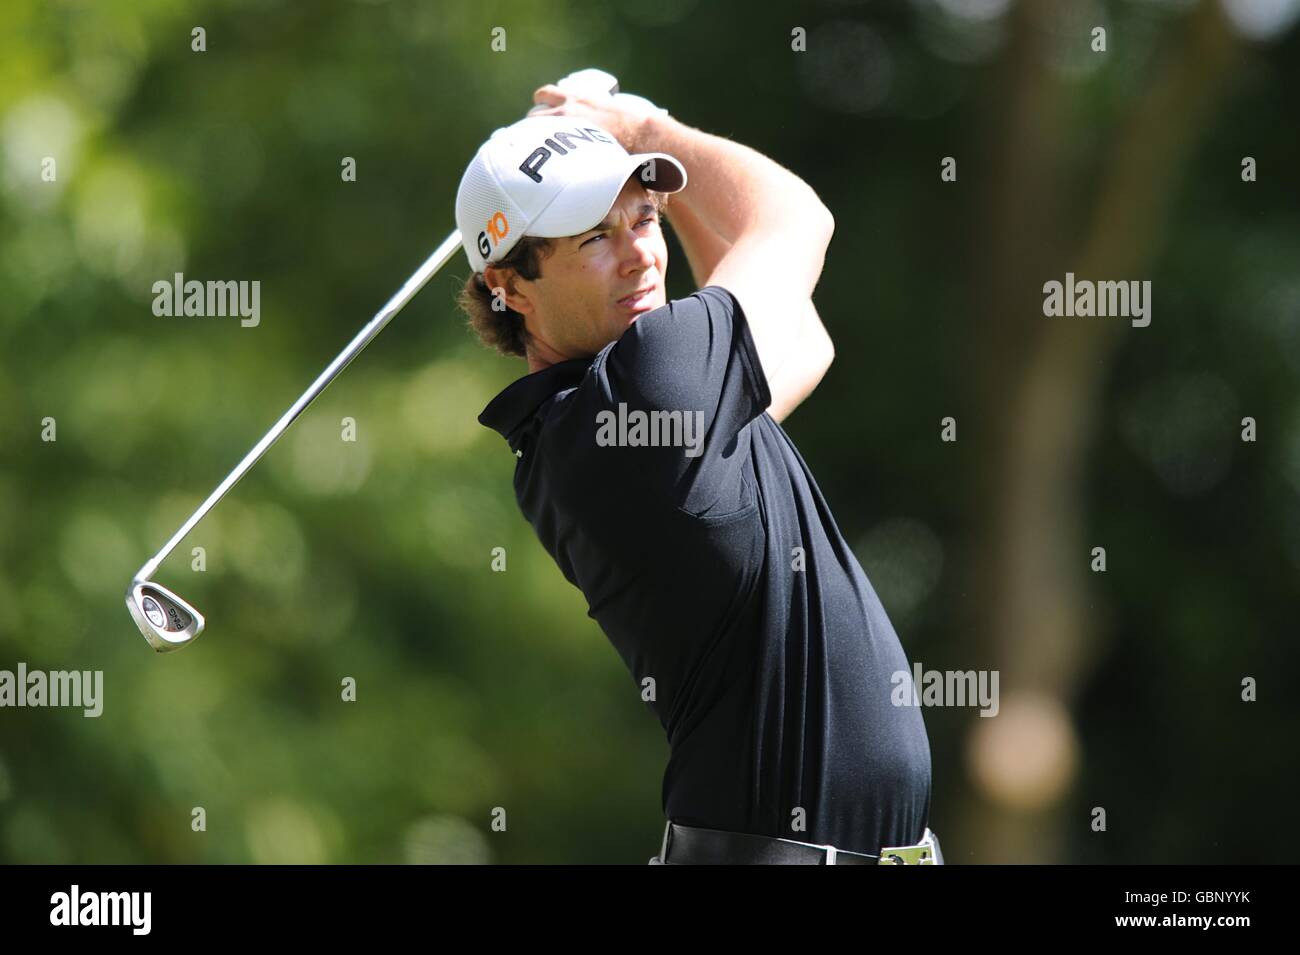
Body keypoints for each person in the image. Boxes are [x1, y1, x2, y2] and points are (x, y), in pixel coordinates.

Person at [453, 85, 942, 864]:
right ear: (510, 287)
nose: (642, 251)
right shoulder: (648, 389)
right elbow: (798, 219)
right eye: (593, 236)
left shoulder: (603, 419)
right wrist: (645, 126)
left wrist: (650, 177)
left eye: (644, 216)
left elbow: (803, 339)